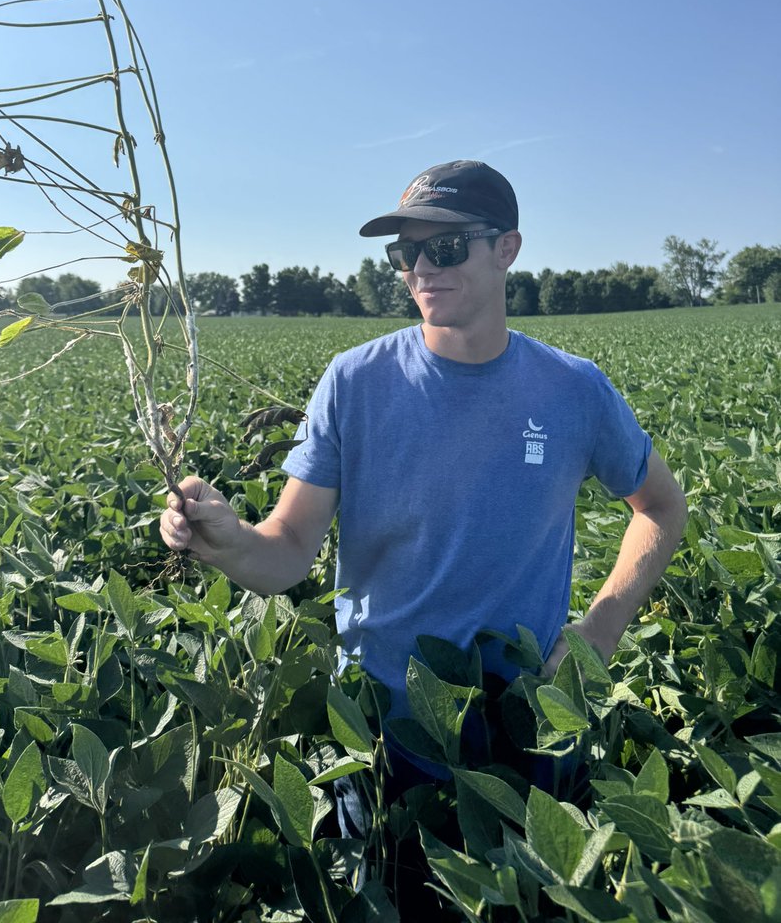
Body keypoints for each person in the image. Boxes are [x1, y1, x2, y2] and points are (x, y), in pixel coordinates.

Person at [159, 159, 687, 900]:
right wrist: (226, 540)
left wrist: (599, 630)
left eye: (445, 247)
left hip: (528, 716)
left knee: (529, 905)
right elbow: (287, 553)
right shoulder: (354, 382)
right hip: (384, 728)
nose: (421, 269)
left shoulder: (573, 389)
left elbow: (661, 506)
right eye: (406, 252)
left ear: (507, 249)